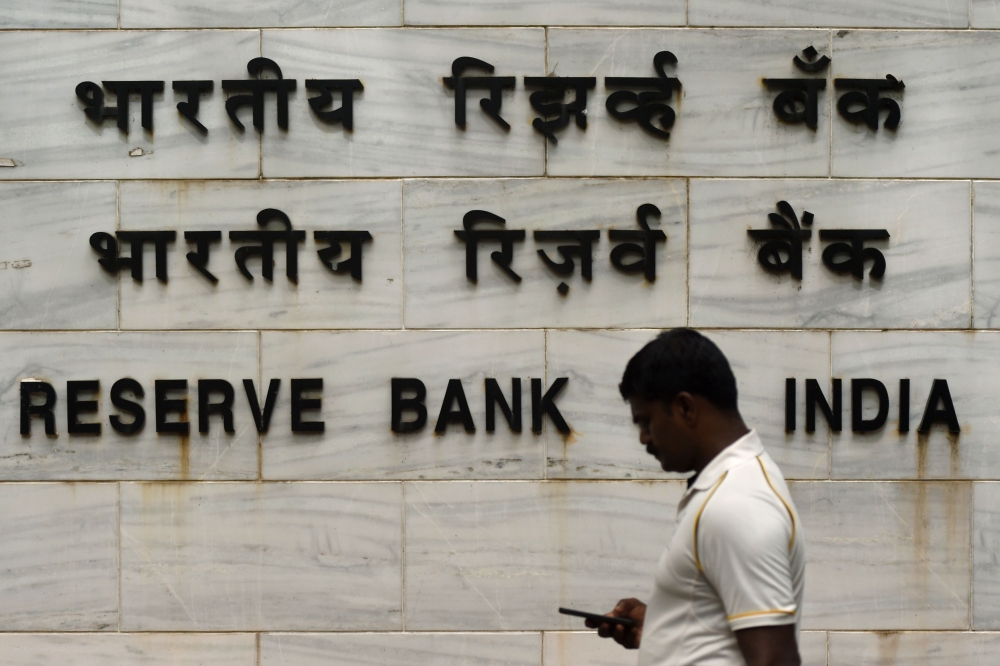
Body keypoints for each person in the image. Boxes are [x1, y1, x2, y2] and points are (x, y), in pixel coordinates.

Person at [586, 328, 804, 666]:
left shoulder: (738, 504)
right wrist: (665, 626)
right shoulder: (732, 489)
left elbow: (774, 660)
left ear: (685, 407)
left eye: (646, 421)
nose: (643, 438)